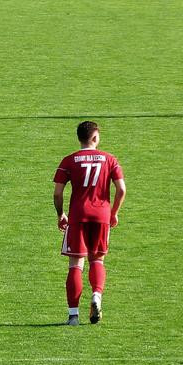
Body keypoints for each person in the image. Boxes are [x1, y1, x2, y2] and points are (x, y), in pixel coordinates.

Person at [53, 121, 126, 326]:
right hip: (101, 216)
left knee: (76, 264)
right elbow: (121, 189)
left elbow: (58, 193)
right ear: (95, 137)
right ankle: (96, 295)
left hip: (78, 216)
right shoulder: (109, 159)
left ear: (80, 138)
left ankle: (73, 316)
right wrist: (114, 213)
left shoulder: (69, 160)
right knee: (97, 260)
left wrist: (61, 214)